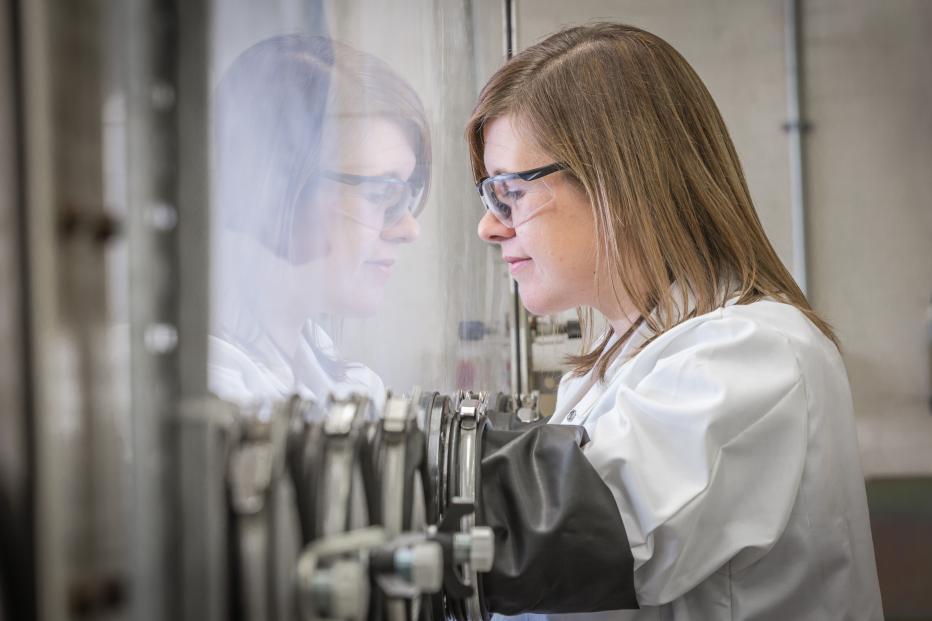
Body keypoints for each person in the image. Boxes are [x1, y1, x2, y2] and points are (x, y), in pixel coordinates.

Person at [468, 23, 882, 620]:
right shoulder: (621, 358)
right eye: (490, 196)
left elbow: (553, 536)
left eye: (510, 192)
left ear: (617, 182)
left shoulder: (751, 353)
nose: (490, 227)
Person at [208, 34, 430, 409]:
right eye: (381, 194)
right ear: (279, 194)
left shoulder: (340, 376)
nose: (409, 229)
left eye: (406, 194)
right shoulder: (209, 391)